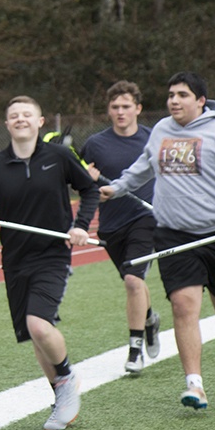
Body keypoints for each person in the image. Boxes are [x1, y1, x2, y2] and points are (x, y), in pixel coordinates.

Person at [101, 71, 215, 410]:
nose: (174, 101)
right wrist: (118, 187)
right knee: (183, 305)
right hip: (173, 233)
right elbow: (144, 166)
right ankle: (195, 384)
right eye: (171, 95)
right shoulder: (162, 130)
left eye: (182, 95)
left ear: (200, 101)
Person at [0, 96, 98, 430]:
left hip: (52, 254)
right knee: (35, 334)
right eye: (14, 116)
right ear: (6, 124)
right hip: (14, 259)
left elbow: (89, 190)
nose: (20, 119)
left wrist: (80, 225)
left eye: (27, 114)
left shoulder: (59, 156)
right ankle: (60, 398)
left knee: (39, 324)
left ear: (40, 122)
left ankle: (67, 376)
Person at [78, 81, 161, 375]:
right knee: (133, 281)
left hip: (147, 219)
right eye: (115, 107)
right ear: (109, 111)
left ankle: (135, 349)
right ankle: (149, 318)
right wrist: (88, 179)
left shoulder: (154, 139)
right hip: (112, 224)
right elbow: (83, 186)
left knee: (132, 280)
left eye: (126, 106)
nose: (120, 112)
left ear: (138, 108)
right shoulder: (95, 144)